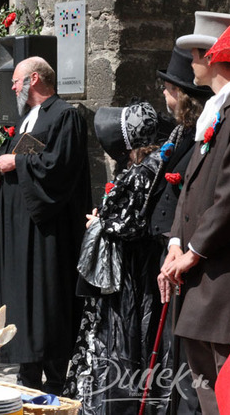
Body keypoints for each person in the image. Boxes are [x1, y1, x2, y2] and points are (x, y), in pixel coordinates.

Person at [0, 56, 91, 394]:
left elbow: (60, 168)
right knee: (21, 301)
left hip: (47, 233)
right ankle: (26, 373)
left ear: (34, 79)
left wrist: (17, 161)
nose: (13, 87)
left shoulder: (66, 116)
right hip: (18, 231)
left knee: (47, 298)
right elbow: (17, 166)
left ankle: (56, 377)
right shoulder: (26, 120)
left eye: (16, 81)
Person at [64, 101, 168, 414]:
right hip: (137, 271)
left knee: (122, 342)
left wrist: (100, 223)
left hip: (130, 277)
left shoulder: (141, 172)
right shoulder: (153, 166)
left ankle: (118, 404)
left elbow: (131, 225)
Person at [159, 11, 230, 415]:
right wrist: (175, 243)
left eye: (193, 53)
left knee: (225, 391)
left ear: (213, 55)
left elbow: (229, 195)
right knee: (206, 393)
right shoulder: (217, 111)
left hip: (221, 280)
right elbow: (190, 189)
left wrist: (194, 251)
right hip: (198, 279)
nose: (189, 63)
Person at [149, 46, 211, 415]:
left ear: (183, 94)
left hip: (194, 260)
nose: (164, 94)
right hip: (173, 253)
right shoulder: (183, 133)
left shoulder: (204, 135)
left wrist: (184, 249)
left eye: (169, 88)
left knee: (194, 367)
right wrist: (172, 243)